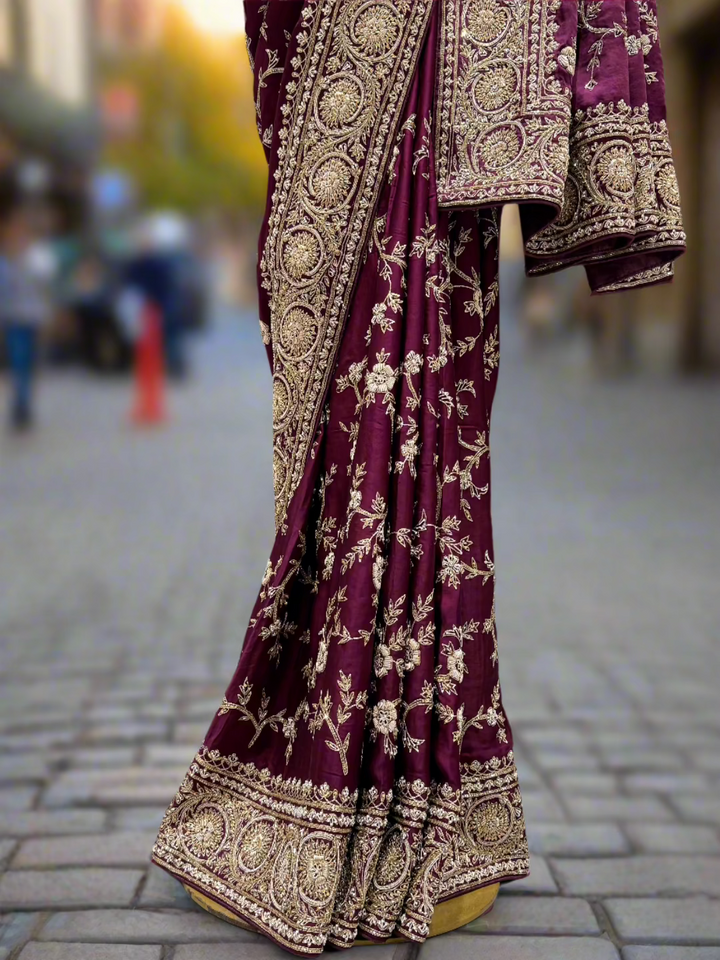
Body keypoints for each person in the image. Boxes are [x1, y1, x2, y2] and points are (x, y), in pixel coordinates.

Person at [153, 1, 685, 953]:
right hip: (340, 133)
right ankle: (321, 775)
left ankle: (430, 793)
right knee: (335, 469)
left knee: (433, 452)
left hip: (443, 198)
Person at [0, 209, 51, 431]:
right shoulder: (6, 260)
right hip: (14, 318)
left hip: (32, 316)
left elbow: (45, 283)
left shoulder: (36, 257)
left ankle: (24, 403)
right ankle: (21, 405)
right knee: (20, 361)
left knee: (29, 362)